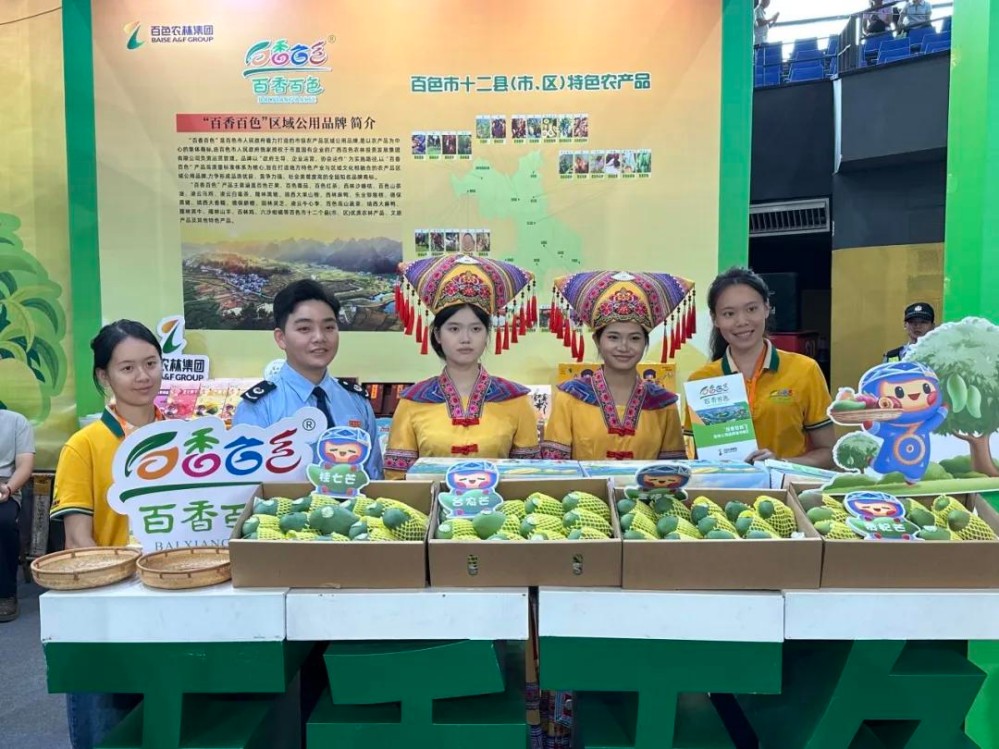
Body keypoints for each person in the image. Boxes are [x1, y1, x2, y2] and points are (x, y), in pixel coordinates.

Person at [49, 320, 165, 748]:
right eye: (127, 368)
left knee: (167, 722)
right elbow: (78, 542)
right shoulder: (83, 446)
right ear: (104, 376)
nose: (143, 377)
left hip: (174, 603)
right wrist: (129, 587)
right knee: (108, 728)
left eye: (151, 363)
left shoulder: (185, 439)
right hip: (109, 612)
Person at [384, 254, 540, 478]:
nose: (465, 339)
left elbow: (527, 477)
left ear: (486, 335)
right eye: (454, 329)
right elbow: (397, 478)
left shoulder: (515, 399)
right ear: (438, 335)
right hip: (432, 500)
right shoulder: (413, 400)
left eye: (476, 329)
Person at [684, 267, 835, 468]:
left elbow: (829, 453)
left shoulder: (804, 370)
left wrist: (779, 464)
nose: (741, 321)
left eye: (751, 309)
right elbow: (692, 456)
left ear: (766, 308)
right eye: (729, 313)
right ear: (715, 319)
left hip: (786, 486)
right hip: (722, 487)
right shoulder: (702, 381)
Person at [232, 279, 383, 479]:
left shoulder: (356, 401)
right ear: (281, 338)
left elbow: (373, 477)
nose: (319, 337)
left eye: (329, 327)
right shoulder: (259, 406)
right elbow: (246, 483)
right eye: (304, 329)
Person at [541, 271, 691, 461]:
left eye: (634, 338)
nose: (624, 347)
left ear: (645, 343)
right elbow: (555, 468)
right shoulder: (570, 396)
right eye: (613, 337)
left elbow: (672, 470)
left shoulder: (663, 403)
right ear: (597, 341)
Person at [0, 408, 35, 623]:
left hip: (5, 488)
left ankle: (5, 594)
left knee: (3, 521)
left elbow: (25, 466)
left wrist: (8, 488)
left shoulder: (16, 422)